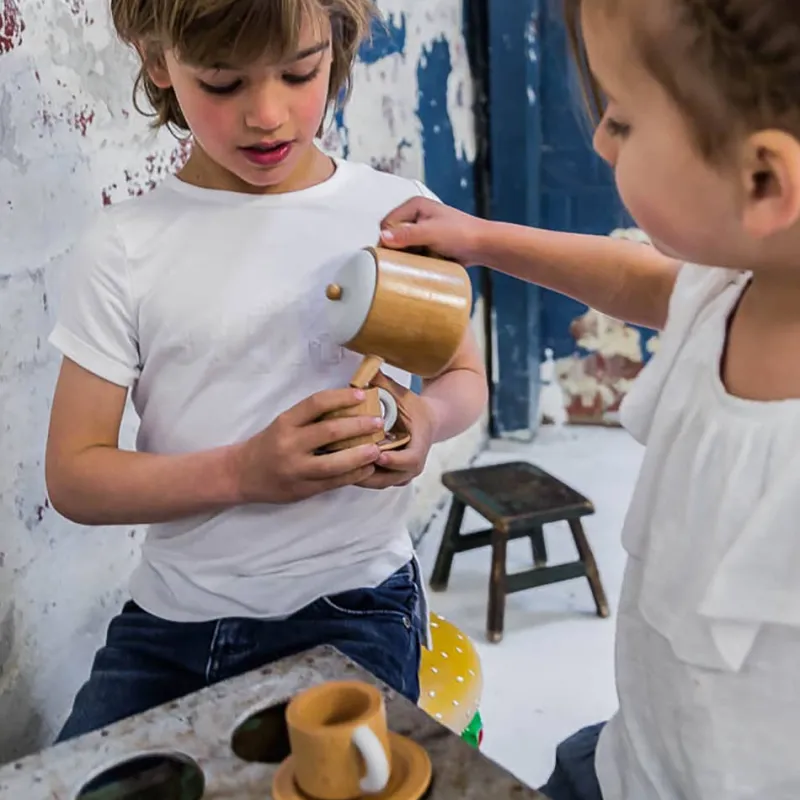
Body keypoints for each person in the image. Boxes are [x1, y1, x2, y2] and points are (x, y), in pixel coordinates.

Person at [379, 1, 800, 798]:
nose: (602, 141)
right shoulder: (734, 287)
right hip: (634, 755)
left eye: (623, 120)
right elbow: (640, 280)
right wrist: (479, 237)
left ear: (764, 179)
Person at [45, 0, 487, 742]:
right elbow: (74, 476)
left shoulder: (395, 218)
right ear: (157, 61)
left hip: (352, 604)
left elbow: (463, 374)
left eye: (299, 73)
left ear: (336, 46)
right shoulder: (125, 246)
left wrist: (430, 420)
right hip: (169, 624)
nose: (268, 116)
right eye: (223, 83)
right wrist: (244, 471)